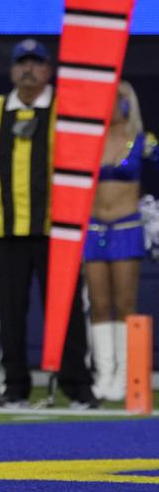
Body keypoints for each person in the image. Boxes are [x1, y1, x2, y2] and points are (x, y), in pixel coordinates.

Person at [0, 38, 97, 408]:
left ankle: (77, 387)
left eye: (36, 63)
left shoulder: (66, 112)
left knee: (66, 313)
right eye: (22, 63)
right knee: (11, 314)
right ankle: (14, 388)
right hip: (6, 230)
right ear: (12, 70)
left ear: (48, 70)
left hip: (56, 232)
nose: (28, 69)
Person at [85, 81, 156, 402]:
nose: (109, 105)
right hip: (95, 228)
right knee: (99, 304)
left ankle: (129, 376)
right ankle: (105, 374)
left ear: (128, 103)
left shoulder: (142, 142)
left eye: (115, 99)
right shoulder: (89, 143)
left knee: (125, 304)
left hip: (127, 226)